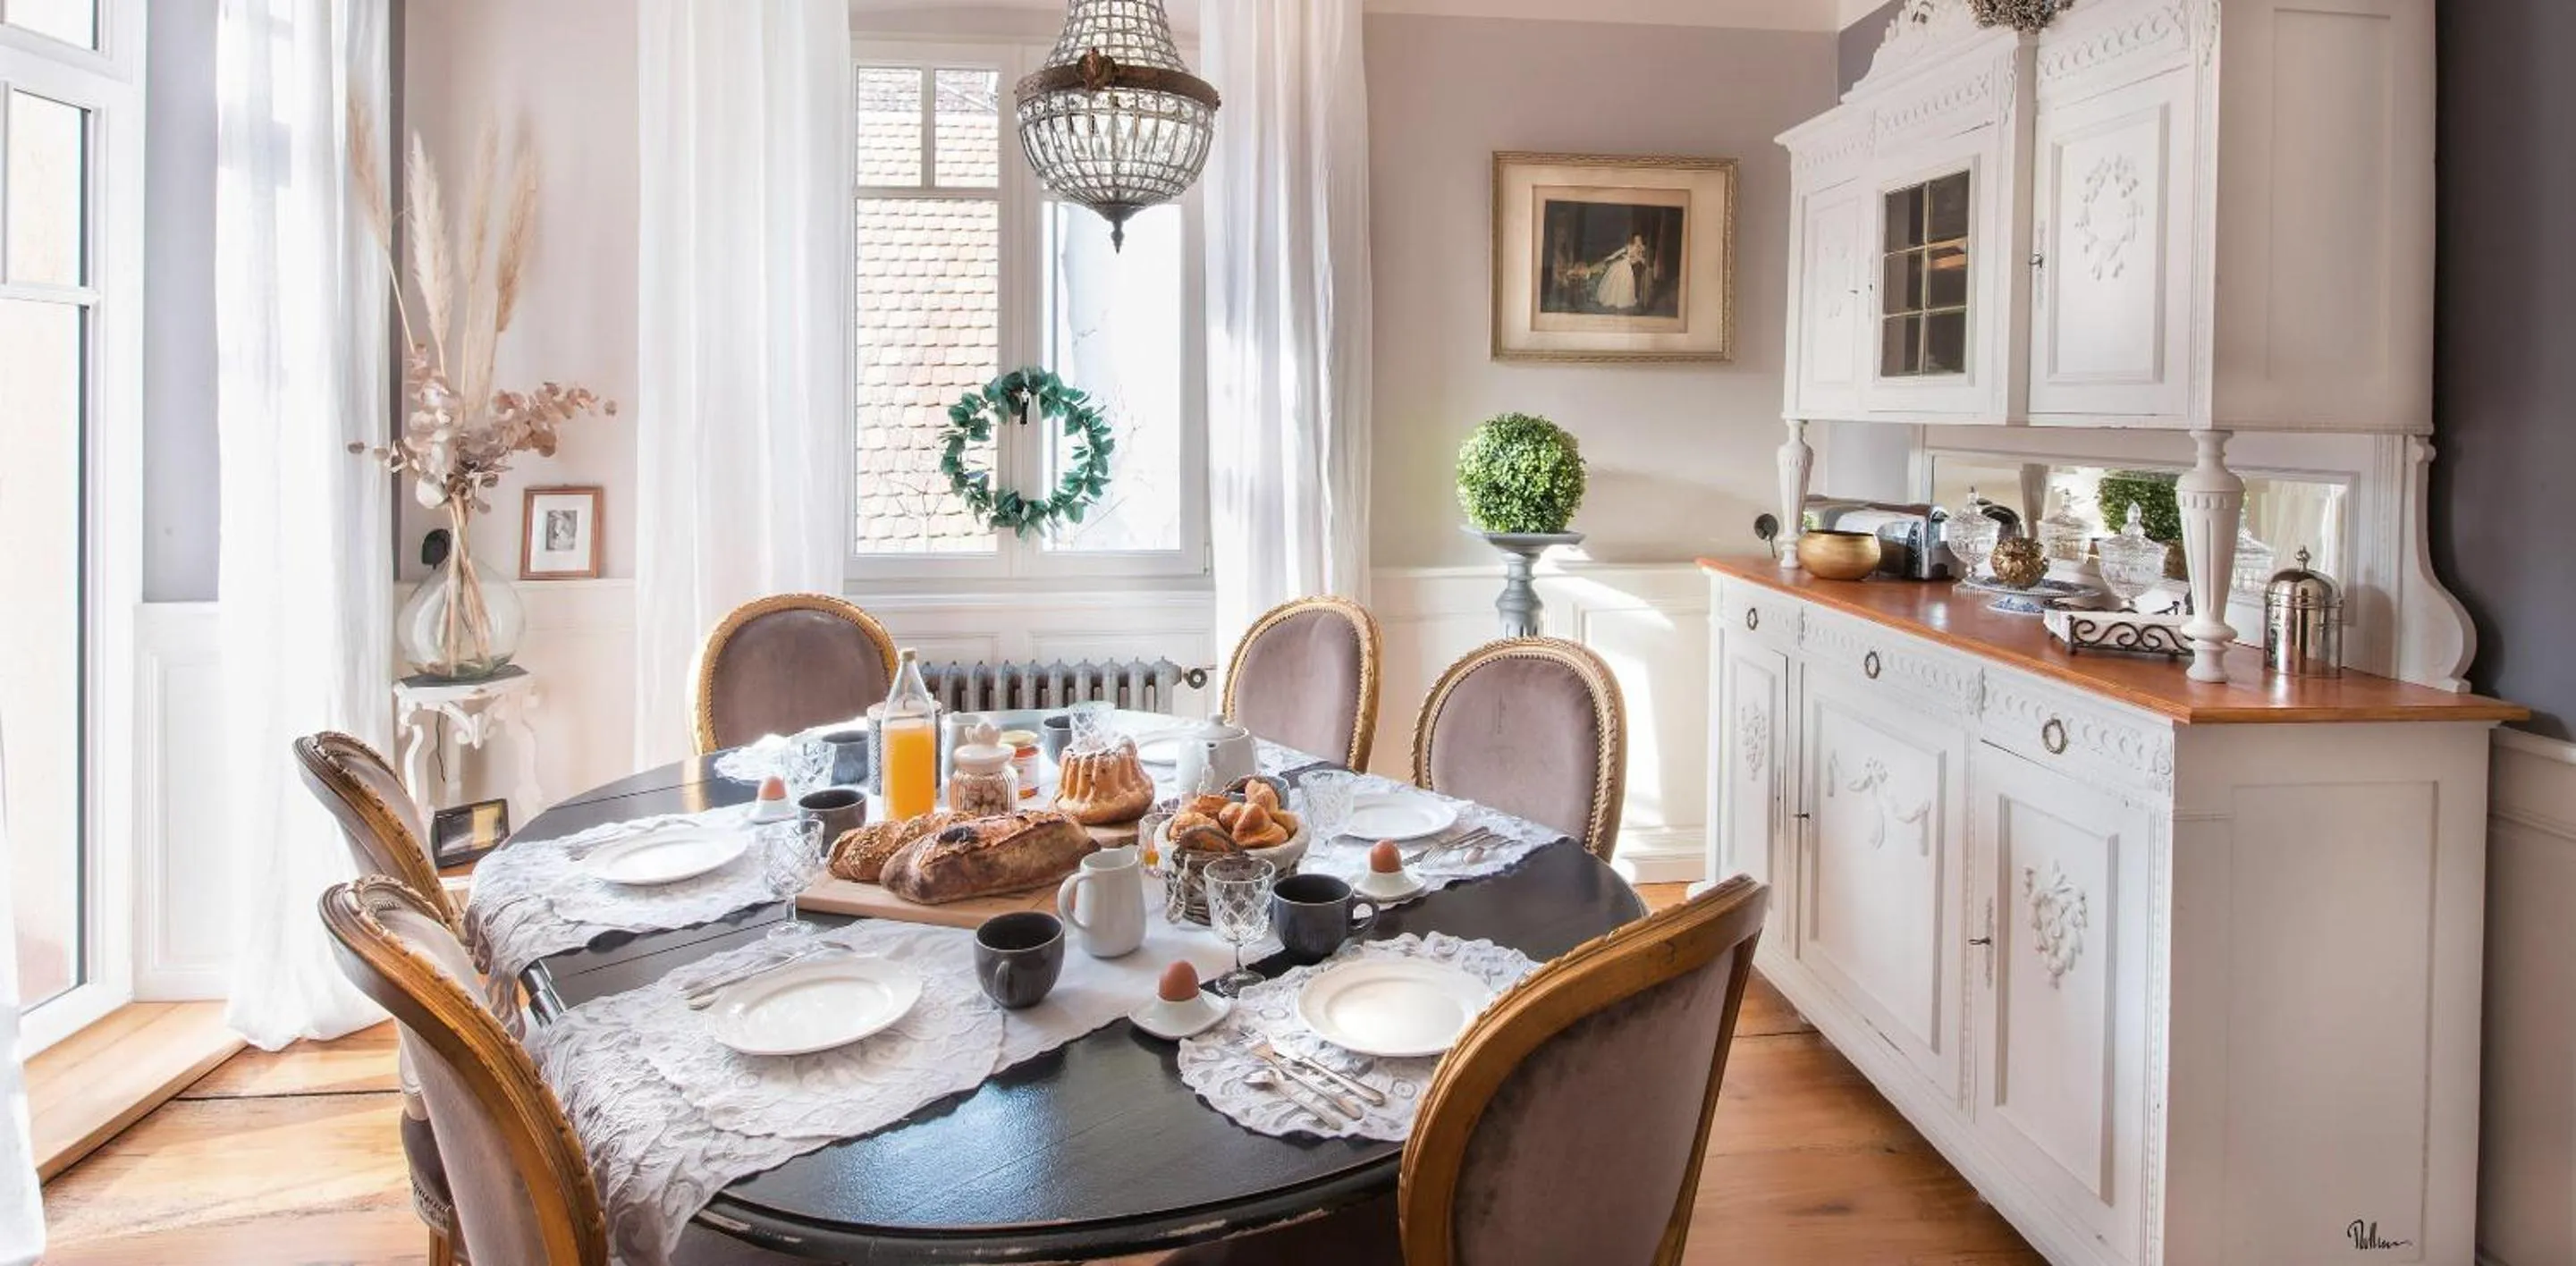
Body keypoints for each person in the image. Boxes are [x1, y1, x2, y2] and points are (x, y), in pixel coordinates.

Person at [1592, 232, 1647, 311]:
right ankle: (1612, 299)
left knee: (1626, 282)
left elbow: (1638, 259)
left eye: (1639, 239)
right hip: (1622, 264)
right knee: (1616, 280)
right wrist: (1609, 258)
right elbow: (1618, 253)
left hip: (1628, 266)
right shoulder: (1629, 246)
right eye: (1637, 239)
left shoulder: (1640, 249)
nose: (1638, 240)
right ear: (1634, 240)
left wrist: (1640, 259)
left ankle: (1622, 300)